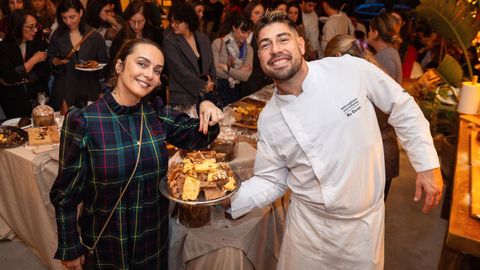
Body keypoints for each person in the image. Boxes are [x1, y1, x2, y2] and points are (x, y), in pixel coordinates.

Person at [226, 11, 443, 269]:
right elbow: (271, 179)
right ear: (260, 57)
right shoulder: (269, 119)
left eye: (283, 39)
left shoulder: (349, 69)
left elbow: (402, 107)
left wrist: (427, 164)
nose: (275, 49)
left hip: (360, 230)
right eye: (265, 45)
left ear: (301, 44)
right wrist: (225, 200)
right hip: (306, 231)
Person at [50, 38, 224, 269]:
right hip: (107, 242)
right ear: (120, 66)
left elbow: (198, 137)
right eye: (142, 64)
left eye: (157, 70)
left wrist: (207, 104)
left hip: (152, 240)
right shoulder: (85, 121)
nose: (150, 74)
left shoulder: (156, 114)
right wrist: (70, 246)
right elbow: (65, 194)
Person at [47, 0, 108, 109]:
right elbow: (50, 59)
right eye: (64, 18)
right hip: (64, 89)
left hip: (89, 89)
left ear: (81, 13)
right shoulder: (57, 36)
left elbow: (105, 65)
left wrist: (95, 67)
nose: (68, 22)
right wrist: (55, 62)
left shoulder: (95, 36)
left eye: (72, 17)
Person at [163, 3, 216, 109]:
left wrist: (213, 83)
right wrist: (203, 86)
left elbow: (211, 66)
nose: (172, 25)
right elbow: (179, 71)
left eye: (177, 22)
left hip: (206, 96)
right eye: (171, 22)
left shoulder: (203, 38)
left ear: (187, 22)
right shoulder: (169, 40)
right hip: (182, 98)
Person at [0, 9, 49, 118]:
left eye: (36, 26)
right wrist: (33, 60)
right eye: (31, 27)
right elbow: (9, 77)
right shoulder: (3, 47)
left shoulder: (38, 43)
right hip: (13, 100)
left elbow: (45, 71)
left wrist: (24, 79)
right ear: (17, 27)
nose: (35, 30)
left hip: (38, 97)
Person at [211, 14, 253, 106]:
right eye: (243, 32)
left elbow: (245, 77)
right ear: (234, 27)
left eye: (248, 33)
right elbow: (214, 71)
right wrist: (238, 73)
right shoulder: (218, 43)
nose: (246, 36)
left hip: (237, 91)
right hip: (218, 89)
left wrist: (227, 68)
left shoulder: (248, 49)